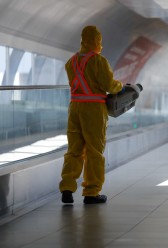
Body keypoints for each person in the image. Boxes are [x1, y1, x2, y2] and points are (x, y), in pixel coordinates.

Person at [59, 25, 123, 204]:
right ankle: (91, 192)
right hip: (93, 108)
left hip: (75, 107)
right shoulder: (98, 61)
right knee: (95, 150)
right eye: (99, 40)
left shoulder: (71, 62)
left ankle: (67, 186)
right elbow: (109, 85)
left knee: (74, 149)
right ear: (96, 40)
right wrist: (121, 86)